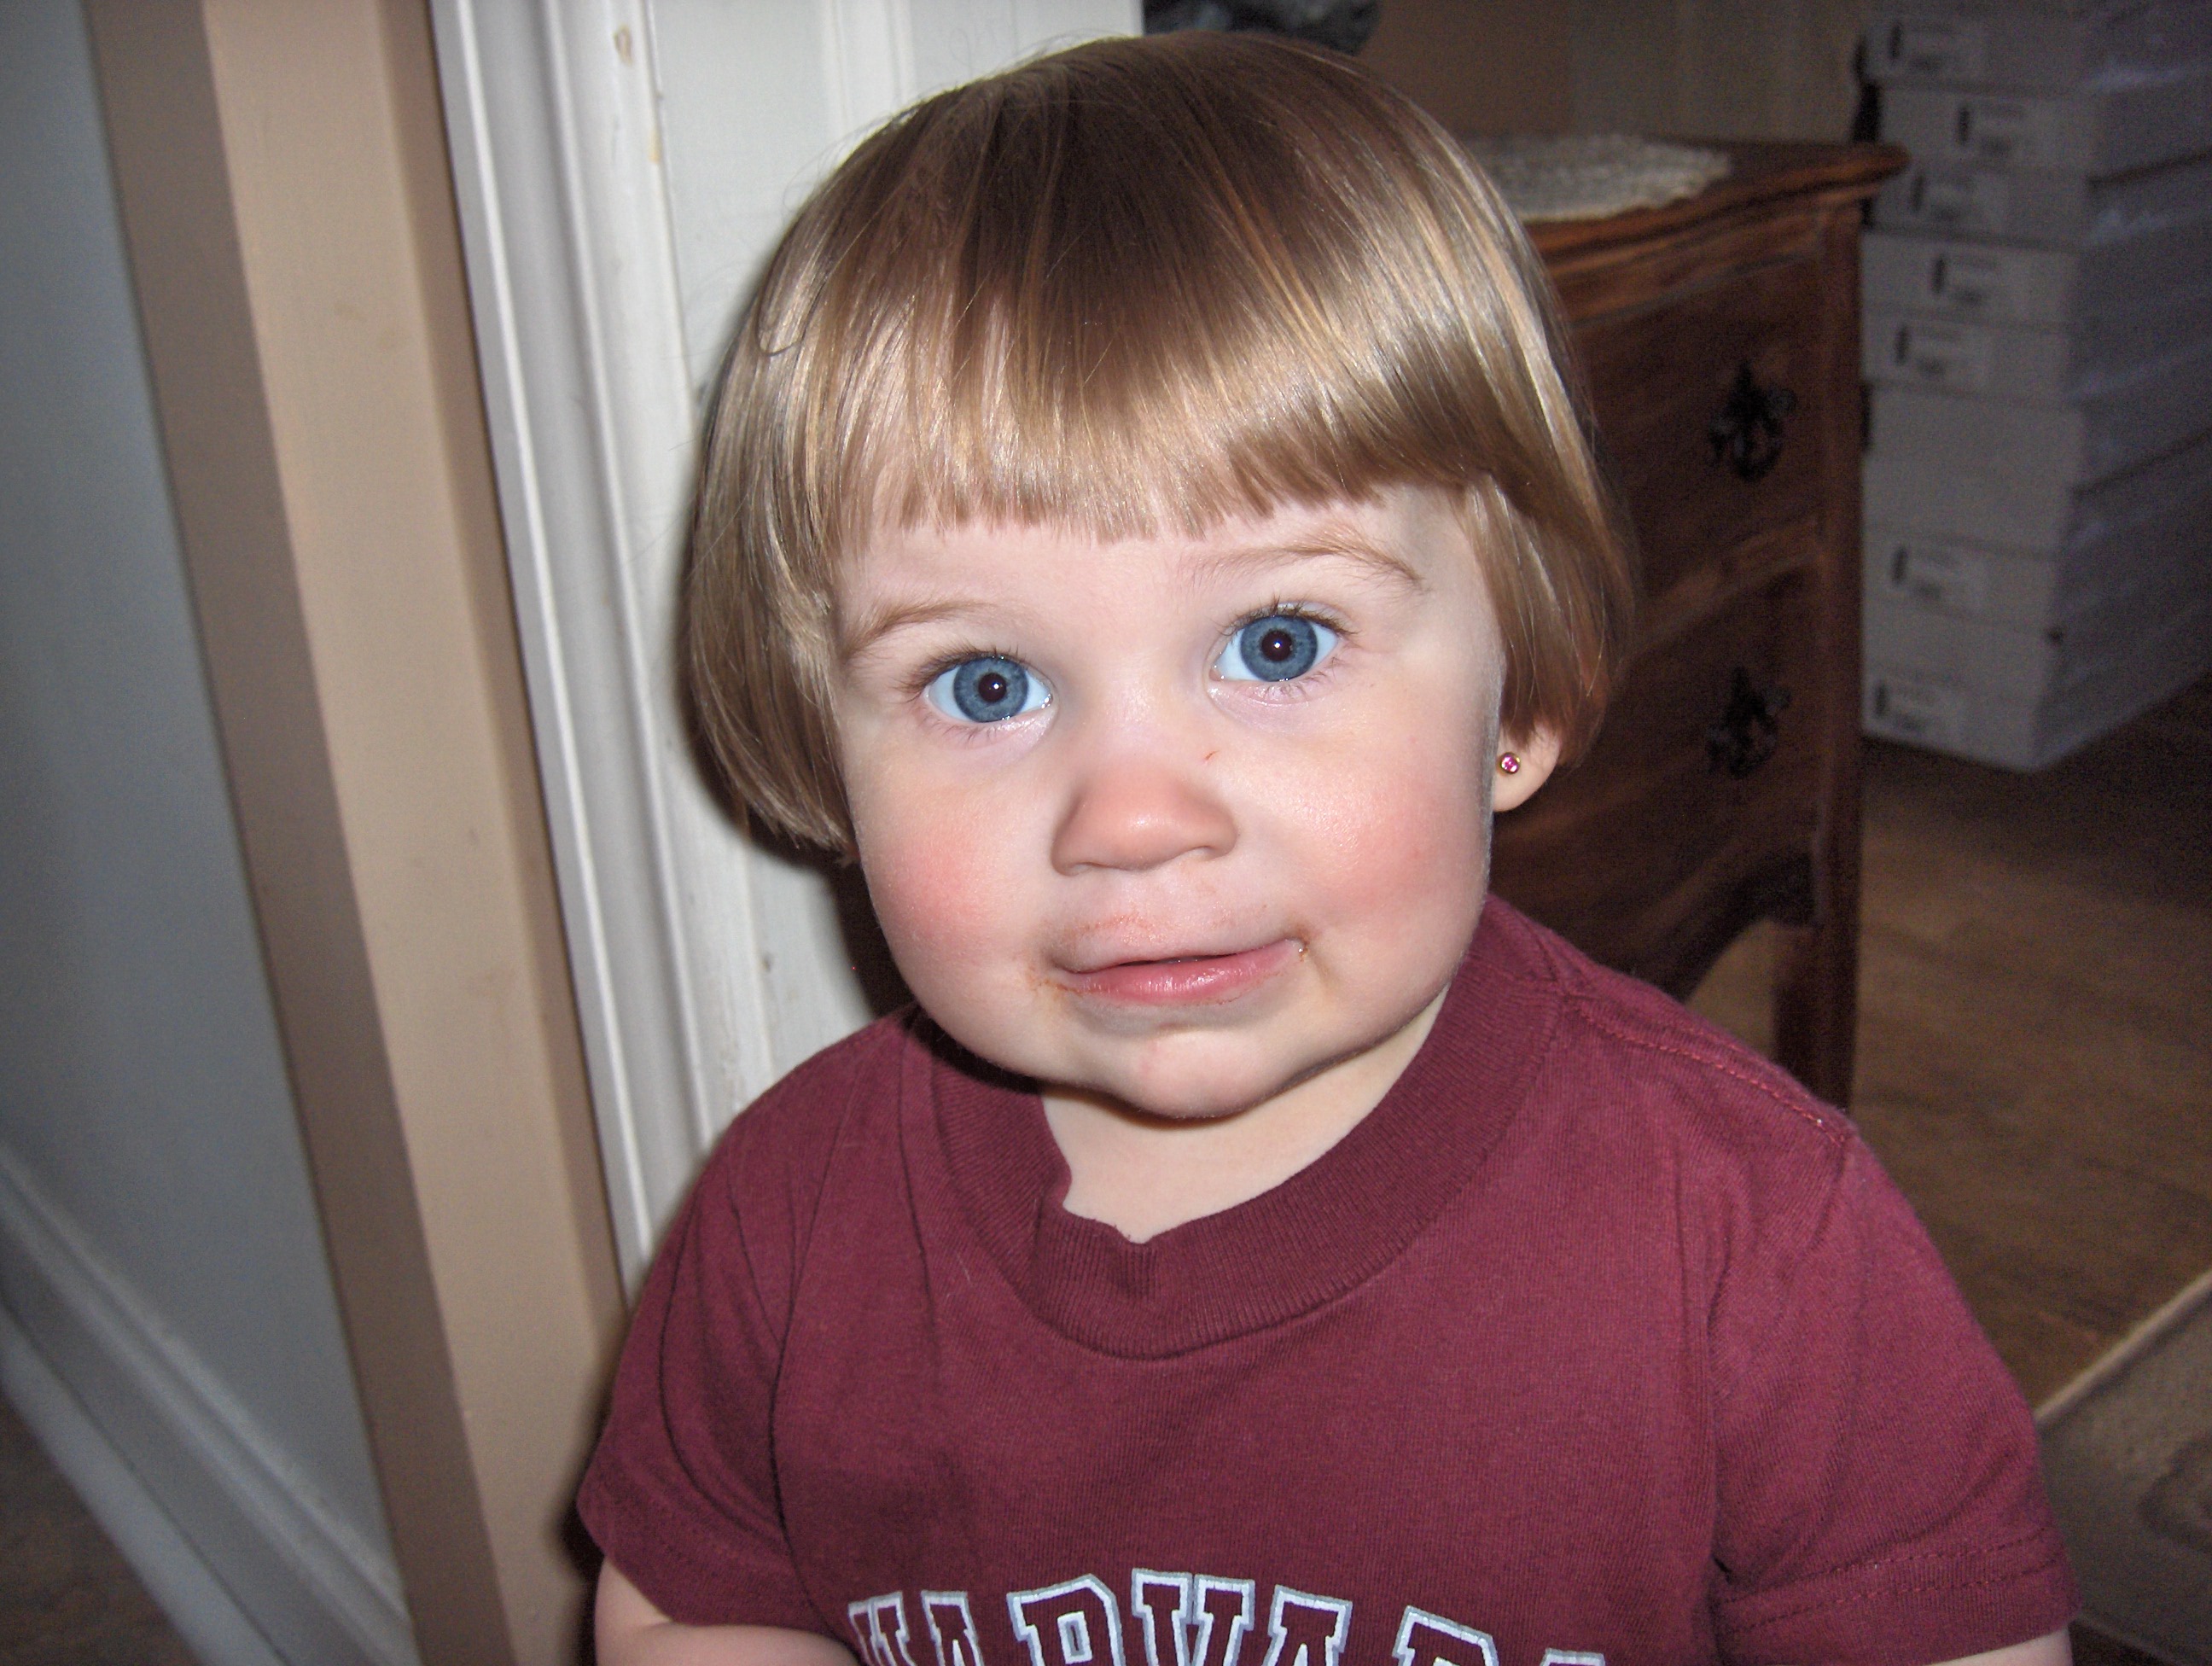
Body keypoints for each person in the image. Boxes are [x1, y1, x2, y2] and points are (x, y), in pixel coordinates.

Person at [580, 32, 2078, 1666]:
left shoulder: (1750, 1240)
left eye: (1276, 644)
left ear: (1525, 695)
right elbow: (691, 1614)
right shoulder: (790, 1219)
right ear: (823, 745)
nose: (1134, 819)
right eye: (985, 684)